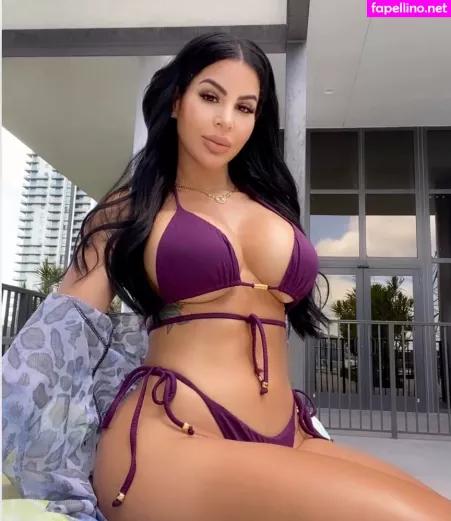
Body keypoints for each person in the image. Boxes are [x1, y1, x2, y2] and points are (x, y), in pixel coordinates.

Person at [5, 32, 450, 521]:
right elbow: (60, 337)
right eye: (210, 97)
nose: (225, 120)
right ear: (177, 101)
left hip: (289, 432)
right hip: (167, 439)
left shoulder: (271, 203)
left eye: (244, 107)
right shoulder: (134, 206)